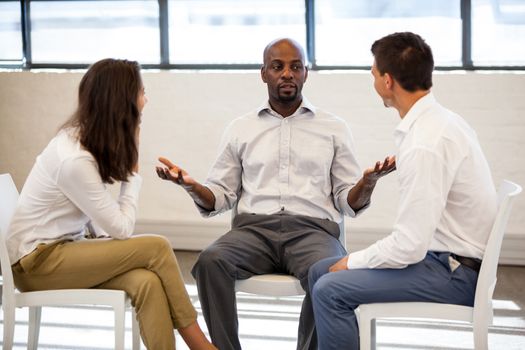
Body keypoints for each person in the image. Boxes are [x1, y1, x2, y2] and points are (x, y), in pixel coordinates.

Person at [155, 38, 395, 350]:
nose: (287, 73)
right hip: (253, 231)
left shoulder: (333, 128)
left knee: (328, 273)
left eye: (295, 67)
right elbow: (219, 196)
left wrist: (368, 182)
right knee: (210, 261)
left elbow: (347, 202)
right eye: (277, 66)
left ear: (305, 74)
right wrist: (190, 185)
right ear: (264, 73)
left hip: (313, 232)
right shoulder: (241, 128)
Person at [6, 58, 216, 350]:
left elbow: (95, 215)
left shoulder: (86, 141)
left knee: (147, 282)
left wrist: (106, 246)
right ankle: (201, 345)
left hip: (63, 250)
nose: (147, 98)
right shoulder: (75, 158)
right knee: (157, 247)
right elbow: (121, 228)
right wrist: (132, 170)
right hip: (37, 264)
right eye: (142, 90)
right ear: (123, 101)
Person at [308, 32, 498, 350]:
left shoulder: (426, 143)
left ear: (387, 81)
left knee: (330, 289)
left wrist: (354, 261)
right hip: (446, 260)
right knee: (320, 271)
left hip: (453, 274)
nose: (372, 80)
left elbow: (409, 246)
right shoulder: (442, 123)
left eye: (372, 73)